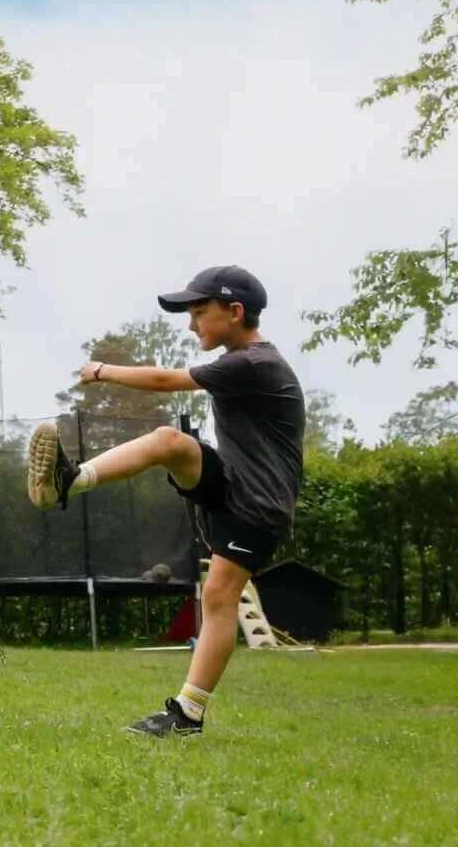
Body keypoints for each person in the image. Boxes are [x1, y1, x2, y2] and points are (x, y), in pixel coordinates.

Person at [26, 265, 306, 737]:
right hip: (232, 483)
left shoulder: (254, 363)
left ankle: (187, 716)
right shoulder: (244, 361)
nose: (192, 324)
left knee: (219, 597)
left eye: (200, 312)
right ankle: (68, 482)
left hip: (258, 505)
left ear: (235, 312)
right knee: (169, 442)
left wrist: (100, 371)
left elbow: (162, 381)